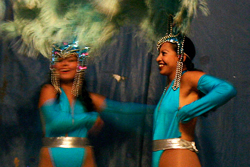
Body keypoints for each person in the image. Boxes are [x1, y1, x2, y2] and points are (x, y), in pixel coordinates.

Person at [151, 30, 237, 166]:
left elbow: (227, 89)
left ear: (181, 57)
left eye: (164, 53)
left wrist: (189, 110)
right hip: (162, 156)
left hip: (178, 156)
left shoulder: (187, 78)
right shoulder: (169, 87)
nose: (158, 58)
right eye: (159, 54)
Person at [38, 41, 103, 167]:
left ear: (80, 65)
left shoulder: (87, 98)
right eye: (59, 60)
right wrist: (90, 118)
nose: (65, 64)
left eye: (71, 60)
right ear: (53, 65)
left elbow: (122, 111)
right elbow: (56, 122)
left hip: (84, 155)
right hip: (51, 156)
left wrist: (150, 113)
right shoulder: (48, 91)